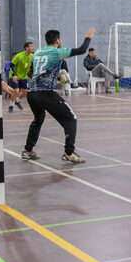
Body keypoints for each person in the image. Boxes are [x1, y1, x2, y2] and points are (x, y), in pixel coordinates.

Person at [21, 28, 95, 164]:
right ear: (57, 40)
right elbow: (81, 50)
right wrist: (88, 37)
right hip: (45, 93)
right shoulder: (56, 51)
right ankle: (69, 152)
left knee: (38, 119)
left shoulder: (37, 52)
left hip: (32, 93)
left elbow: (31, 73)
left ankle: (28, 150)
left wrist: (55, 76)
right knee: (71, 118)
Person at [9, 42, 35, 112]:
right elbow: (11, 65)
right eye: (31, 46)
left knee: (25, 92)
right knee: (16, 91)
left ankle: (16, 100)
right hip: (15, 75)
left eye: (33, 46)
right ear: (26, 48)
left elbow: (32, 67)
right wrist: (14, 75)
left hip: (23, 77)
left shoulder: (32, 56)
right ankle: (11, 105)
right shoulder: (19, 56)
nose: (33, 48)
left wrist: (31, 75)